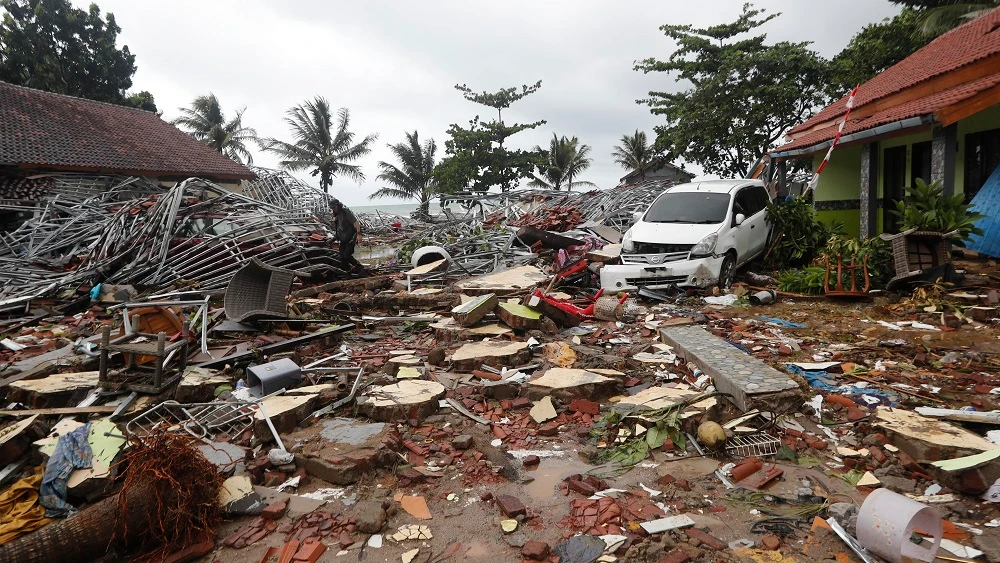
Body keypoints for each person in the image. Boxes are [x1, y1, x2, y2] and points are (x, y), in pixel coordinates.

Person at [325, 197, 364, 273]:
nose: (333, 209)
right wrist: (332, 240)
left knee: (347, 255)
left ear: (338, 205)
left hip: (351, 237)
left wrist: (359, 234)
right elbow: (339, 230)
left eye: (334, 207)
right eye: (332, 208)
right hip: (343, 238)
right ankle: (346, 271)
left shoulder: (345, 212)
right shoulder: (336, 215)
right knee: (342, 257)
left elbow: (356, 223)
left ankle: (359, 266)